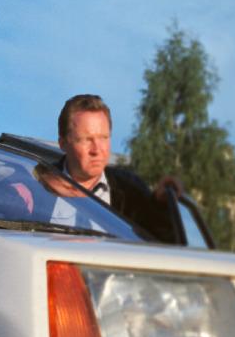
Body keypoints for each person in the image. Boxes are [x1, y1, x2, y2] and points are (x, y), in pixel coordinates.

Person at [55, 94, 181, 241]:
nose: (96, 150)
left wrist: (162, 205)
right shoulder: (34, 186)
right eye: (86, 140)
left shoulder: (132, 192)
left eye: (103, 138)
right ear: (63, 143)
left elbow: (165, 245)